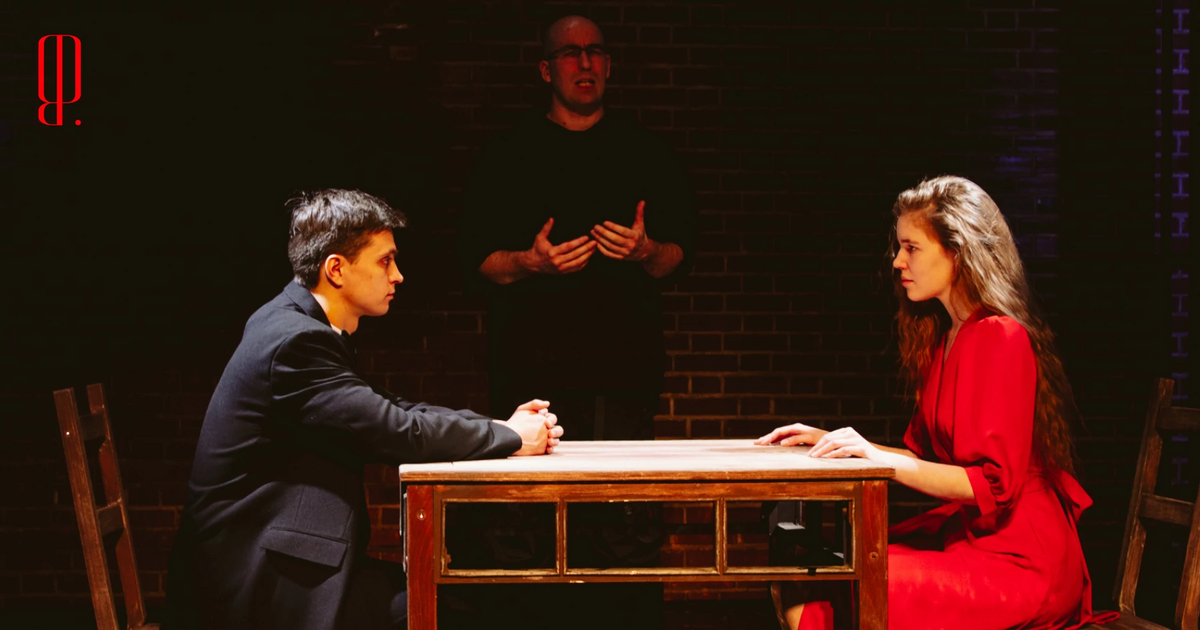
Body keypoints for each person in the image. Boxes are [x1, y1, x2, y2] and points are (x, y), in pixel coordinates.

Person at [166, 189, 563, 630]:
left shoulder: (299, 324)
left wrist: (500, 425)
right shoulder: (295, 341)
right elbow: (396, 431)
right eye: (384, 261)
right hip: (255, 580)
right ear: (336, 269)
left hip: (278, 555)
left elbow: (388, 408)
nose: (398, 276)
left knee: (456, 601)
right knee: (454, 612)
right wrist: (511, 437)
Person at [756, 176, 1118, 630]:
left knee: (840, 588)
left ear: (958, 252)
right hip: (973, 538)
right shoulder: (947, 336)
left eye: (911, 247)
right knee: (810, 575)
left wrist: (874, 458)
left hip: (1020, 558)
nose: (897, 260)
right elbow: (924, 461)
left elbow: (993, 488)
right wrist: (839, 442)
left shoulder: (1002, 337)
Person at [453, 14, 696, 630]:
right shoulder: (507, 154)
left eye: (595, 52)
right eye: (569, 53)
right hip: (531, 382)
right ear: (546, 69)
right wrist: (529, 262)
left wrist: (647, 251)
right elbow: (476, 261)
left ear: (608, 65)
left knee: (624, 539)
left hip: (624, 380)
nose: (584, 64)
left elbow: (679, 258)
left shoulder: (647, 151)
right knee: (525, 536)